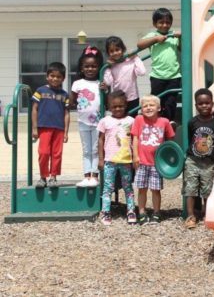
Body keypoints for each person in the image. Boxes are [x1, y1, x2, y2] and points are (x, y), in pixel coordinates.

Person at [131, 94, 175, 224]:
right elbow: (135, 138)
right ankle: (142, 212)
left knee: (155, 189)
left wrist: (167, 157)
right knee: (142, 189)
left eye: (151, 105)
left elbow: (170, 139)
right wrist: (135, 156)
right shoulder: (139, 120)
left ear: (159, 108)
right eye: (145, 106)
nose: (148, 108)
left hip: (157, 163)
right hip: (142, 161)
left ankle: (156, 212)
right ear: (141, 109)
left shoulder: (164, 122)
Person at [97, 90, 136, 225]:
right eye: (114, 106)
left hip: (126, 161)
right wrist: (101, 159)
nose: (117, 109)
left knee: (128, 187)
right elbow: (101, 140)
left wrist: (135, 157)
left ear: (125, 105)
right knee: (108, 187)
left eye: (120, 106)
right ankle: (106, 212)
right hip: (110, 160)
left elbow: (135, 140)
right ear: (109, 107)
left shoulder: (131, 121)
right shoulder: (105, 121)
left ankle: (131, 211)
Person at [137, 8, 181, 123]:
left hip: (173, 76)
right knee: (156, 101)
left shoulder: (173, 36)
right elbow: (140, 44)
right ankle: (156, 122)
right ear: (155, 24)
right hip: (157, 76)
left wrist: (180, 37)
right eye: (161, 22)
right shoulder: (153, 35)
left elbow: (183, 48)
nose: (164, 25)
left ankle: (169, 122)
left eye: (167, 22)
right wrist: (156, 39)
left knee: (171, 102)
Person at [70, 45, 106, 188]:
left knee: (96, 149)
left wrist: (106, 90)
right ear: (81, 68)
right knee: (86, 150)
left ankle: (95, 177)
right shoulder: (77, 83)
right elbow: (72, 101)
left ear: (98, 67)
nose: (90, 69)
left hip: (98, 122)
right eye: (87, 66)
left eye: (93, 66)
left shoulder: (100, 84)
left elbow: (107, 102)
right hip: (82, 121)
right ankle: (86, 176)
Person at [183, 88, 214, 229]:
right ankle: (191, 216)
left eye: (207, 103)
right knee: (190, 189)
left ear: (212, 103)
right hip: (193, 160)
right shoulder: (192, 122)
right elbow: (190, 138)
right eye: (200, 103)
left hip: (208, 162)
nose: (204, 106)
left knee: (207, 190)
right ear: (196, 105)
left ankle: (207, 214)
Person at [31, 62, 70, 188]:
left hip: (59, 128)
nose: (55, 79)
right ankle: (43, 177)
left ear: (63, 79)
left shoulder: (64, 95)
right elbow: (34, 109)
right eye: (52, 76)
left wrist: (66, 132)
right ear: (47, 76)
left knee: (56, 154)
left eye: (58, 77)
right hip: (44, 127)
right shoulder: (40, 90)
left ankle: (53, 177)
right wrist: (34, 128)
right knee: (44, 152)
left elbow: (67, 114)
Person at [103, 36, 146, 114]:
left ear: (123, 49)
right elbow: (108, 82)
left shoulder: (131, 61)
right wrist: (108, 67)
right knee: (120, 122)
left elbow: (142, 72)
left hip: (132, 97)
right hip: (118, 99)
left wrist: (135, 57)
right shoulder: (111, 66)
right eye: (111, 51)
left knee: (132, 121)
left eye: (117, 49)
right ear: (108, 53)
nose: (115, 53)